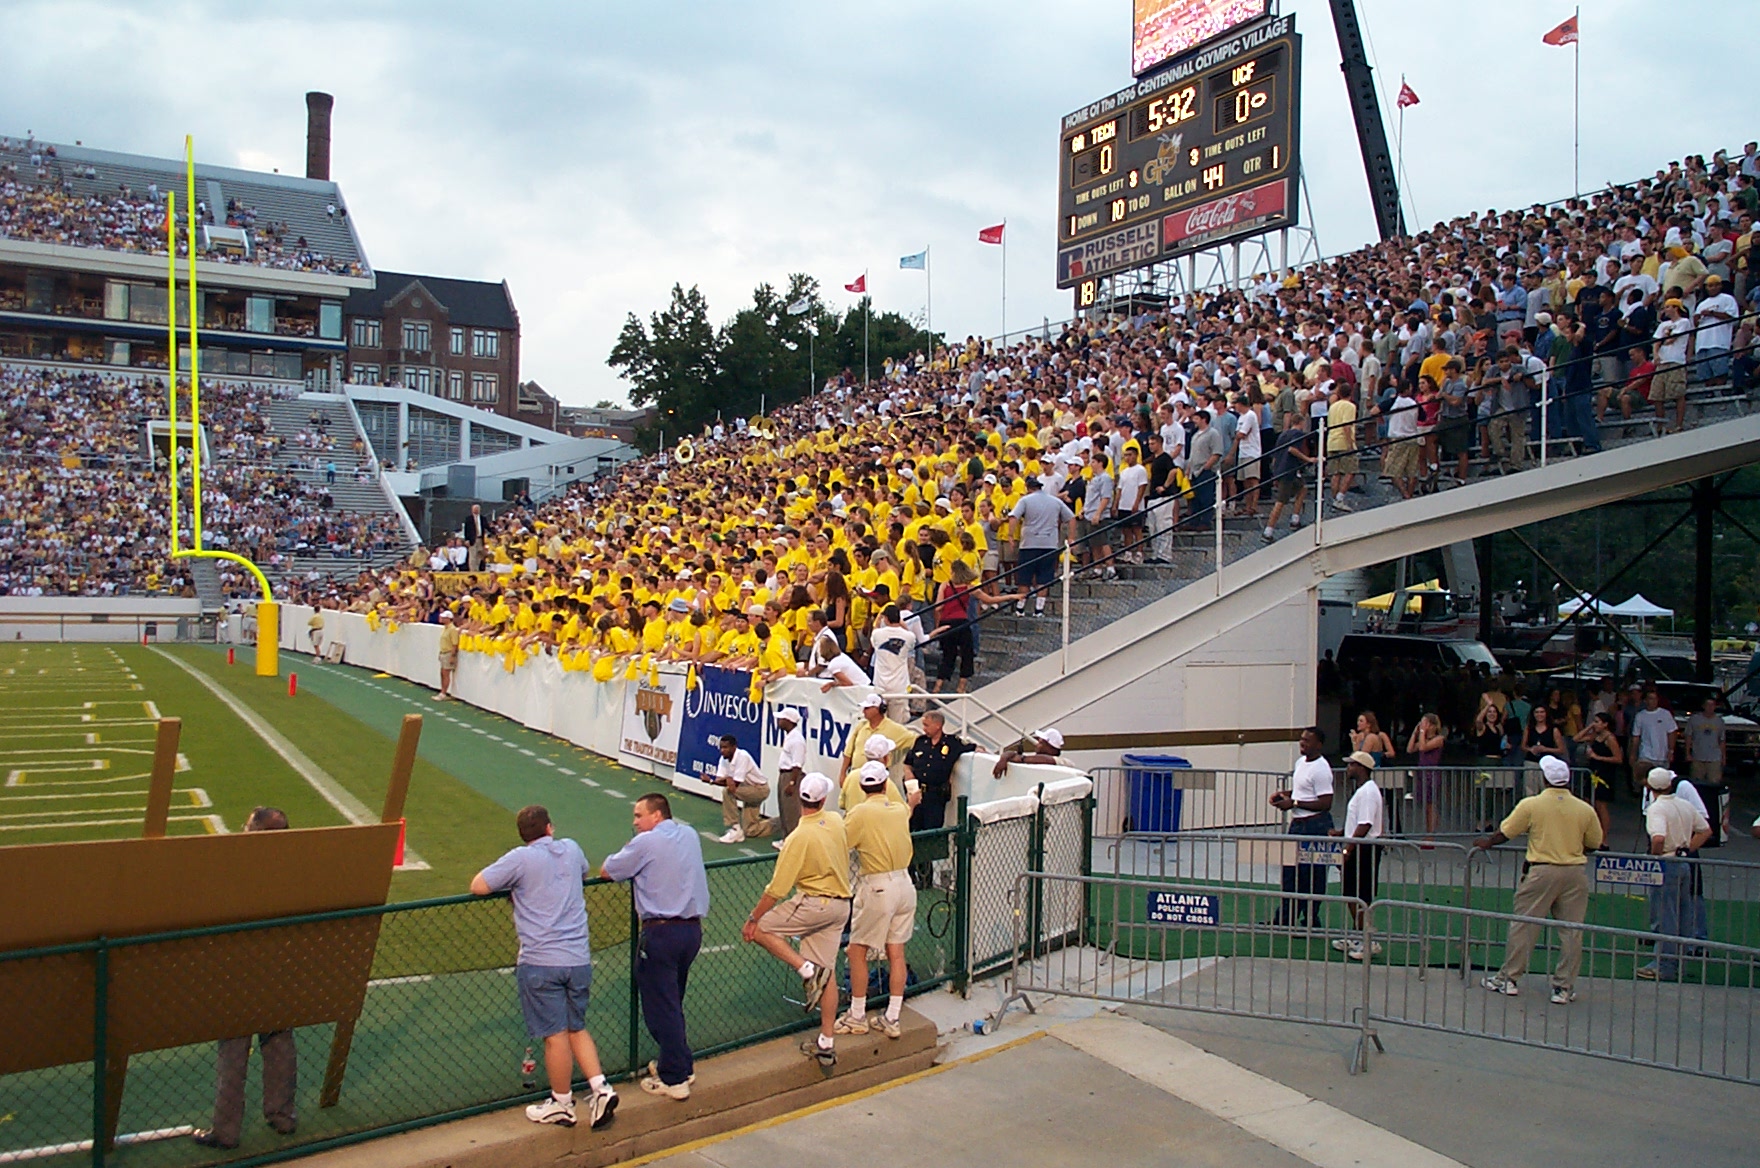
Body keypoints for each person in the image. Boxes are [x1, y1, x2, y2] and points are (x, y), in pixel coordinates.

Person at [470, 806, 618, 1128]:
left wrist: (515, 889)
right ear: (550, 828)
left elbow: (478, 885)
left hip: (540, 961)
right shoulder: (572, 848)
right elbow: (580, 873)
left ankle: (562, 1103)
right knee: (576, 1027)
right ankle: (600, 1088)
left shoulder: (520, 859)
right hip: (578, 958)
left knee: (554, 1036)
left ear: (523, 834)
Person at [193, 807, 298, 1150]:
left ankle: (226, 1130)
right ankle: (282, 1116)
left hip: (239, 972)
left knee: (233, 1050)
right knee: (280, 1041)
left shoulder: (234, 868)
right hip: (279, 969)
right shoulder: (295, 868)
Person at [599, 793, 709, 1101]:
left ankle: (674, 1079)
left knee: (662, 1007)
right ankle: (680, 1064)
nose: (635, 823)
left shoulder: (646, 842)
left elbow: (608, 870)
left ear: (656, 815)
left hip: (661, 934)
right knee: (673, 1001)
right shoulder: (689, 834)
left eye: (638, 816)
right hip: (691, 931)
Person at [742, 772, 850, 1069]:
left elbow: (776, 889)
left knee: (763, 928)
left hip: (813, 904)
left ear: (800, 799)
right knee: (828, 974)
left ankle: (805, 970)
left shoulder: (799, 836)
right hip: (841, 907)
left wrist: (753, 919)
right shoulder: (837, 822)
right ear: (823, 799)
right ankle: (826, 1043)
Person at [1475, 756, 1603, 1004]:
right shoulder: (1585, 809)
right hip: (1574, 871)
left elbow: (1506, 832)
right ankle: (1563, 987)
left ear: (1544, 779)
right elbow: (1595, 843)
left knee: (1524, 925)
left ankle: (1509, 978)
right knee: (1572, 931)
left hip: (1541, 869)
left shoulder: (1531, 804)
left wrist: (1486, 842)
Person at [837, 760, 919, 1040]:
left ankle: (857, 1014)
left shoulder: (859, 813)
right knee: (896, 953)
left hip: (878, 887)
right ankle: (892, 1017)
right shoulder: (898, 810)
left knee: (856, 951)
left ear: (862, 786)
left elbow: (841, 844)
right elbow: (908, 809)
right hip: (905, 885)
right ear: (886, 784)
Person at [1636, 768, 1712, 982]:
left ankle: (1663, 965)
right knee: (1683, 912)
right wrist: (1687, 851)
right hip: (1683, 861)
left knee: (1665, 914)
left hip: (1667, 862)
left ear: (1650, 788)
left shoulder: (1657, 809)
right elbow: (1705, 830)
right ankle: (1678, 961)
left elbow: (1658, 838)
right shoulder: (1684, 804)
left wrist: (1655, 858)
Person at [1269, 727, 1334, 926]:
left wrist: (1295, 804)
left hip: (1314, 825)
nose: (1302, 743)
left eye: (1307, 740)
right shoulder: (1300, 763)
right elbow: (1302, 790)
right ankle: (1285, 918)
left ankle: (1310, 918)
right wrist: (1285, 795)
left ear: (1319, 745)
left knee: (1313, 875)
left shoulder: (1322, 769)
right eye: (1301, 739)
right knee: (1290, 873)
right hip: (1297, 825)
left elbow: (1325, 802)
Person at [902, 710, 974, 883]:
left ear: (938, 725)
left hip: (935, 797)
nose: (924, 728)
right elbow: (908, 763)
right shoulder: (920, 742)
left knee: (931, 834)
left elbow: (973, 748)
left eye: (927, 725)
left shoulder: (951, 743)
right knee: (912, 832)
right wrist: (909, 777)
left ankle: (925, 876)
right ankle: (911, 874)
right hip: (917, 795)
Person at [1331, 753, 1384, 961]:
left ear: (1361, 767)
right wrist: (1342, 832)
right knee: (1351, 892)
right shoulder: (1362, 791)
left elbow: (1365, 824)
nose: (1348, 768)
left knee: (1361, 895)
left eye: (1351, 764)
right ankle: (1357, 934)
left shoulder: (1369, 792)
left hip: (1364, 849)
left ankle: (1368, 939)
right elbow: (1357, 821)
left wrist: (1348, 849)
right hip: (1358, 846)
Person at [1009, 476, 1074, 618]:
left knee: (1024, 577)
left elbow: (1013, 517)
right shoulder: (1055, 501)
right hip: (1049, 544)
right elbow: (1071, 517)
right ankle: (1039, 609)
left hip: (1029, 544)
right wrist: (1071, 537)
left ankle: (1020, 608)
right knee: (1044, 577)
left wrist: (1010, 535)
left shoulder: (1025, 500)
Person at [840, 693, 914, 790]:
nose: (863, 711)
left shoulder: (894, 728)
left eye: (867, 708)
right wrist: (843, 773)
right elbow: (848, 751)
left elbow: (914, 739)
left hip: (877, 779)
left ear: (877, 709)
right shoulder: (861, 726)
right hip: (856, 775)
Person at [714, 733, 773, 844]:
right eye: (721, 747)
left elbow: (734, 784)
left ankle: (735, 828)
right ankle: (781, 822)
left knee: (727, 792)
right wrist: (712, 781)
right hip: (747, 790)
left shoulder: (742, 756)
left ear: (734, 747)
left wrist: (724, 780)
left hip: (759, 789)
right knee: (751, 830)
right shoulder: (723, 759)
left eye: (725, 747)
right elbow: (720, 780)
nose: (722, 750)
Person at [1574, 710, 1624, 841]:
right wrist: (1590, 727)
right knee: (1587, 801)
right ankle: (1589, 833)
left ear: (1605, 724)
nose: (1595, 724)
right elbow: (1576, 738)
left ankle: (1603, 838)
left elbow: (1618, 758)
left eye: (1597, 722)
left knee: (1601, 805)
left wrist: (1598, 757)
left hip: (1604, 773)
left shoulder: (1610, 738)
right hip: (1593, 771)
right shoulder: (1595, 736)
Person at [1630, 688, 1678, 797]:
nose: (1653, 701)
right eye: (1650, 699)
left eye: (1655, 699)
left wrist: (1671, 750)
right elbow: (1636, 736)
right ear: (1646, 700)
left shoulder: (1665, 714)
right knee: (1646, 780)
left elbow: (1672, 733)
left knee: (1661, 781)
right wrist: (1633, 753)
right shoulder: (1640, 716)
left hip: (1662, 755)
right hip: (1646, 754)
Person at [1406, 712, 1446, 837]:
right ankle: (1431, 828)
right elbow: (1410, 749)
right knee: (1426, 804)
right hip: (1422, 774)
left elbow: (1423, 748)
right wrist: (1415, 732)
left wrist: (1422, 732)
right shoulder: (1424, 739)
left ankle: (1431, 833)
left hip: (1431, 774)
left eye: (1426, 723)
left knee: (1431, 804)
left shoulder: (1438, 739)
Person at [773, 706, 807, 846]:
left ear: (788, 721)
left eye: (781, 718)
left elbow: (797, 764)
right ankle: (786, 838)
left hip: (791, 776)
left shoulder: (797, 740)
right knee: (784, 808)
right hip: (784, 775)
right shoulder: (790, 737)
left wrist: (792, 783)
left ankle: (793, 841)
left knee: (791, 811)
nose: (779, 721)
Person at [1684, 697, 1726, 787]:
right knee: (1697, 784)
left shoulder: (1719, 721)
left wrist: (1723, 757)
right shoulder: (1694, 719)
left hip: (1714, 758)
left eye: (1712, 705)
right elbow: (1688, 737)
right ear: (1703, 706)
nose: (1710, 707)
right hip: (1697, 757)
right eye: (1708, 705)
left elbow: (1722, 740)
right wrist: (1687, 753)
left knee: (1714, 783)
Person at [992, 727, 1063, 777]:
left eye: (1041, 743)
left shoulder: (1063, 763)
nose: (1037, 745)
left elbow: (1049, 760)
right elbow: (1010, 753)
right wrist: (1003, 759)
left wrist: (1021, 759)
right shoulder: (1035, 760)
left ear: (1050, 748)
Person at [435, 609, 459, 700]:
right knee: (442, 673)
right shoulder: (446, 628)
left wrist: (452, 656)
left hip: (448, 653)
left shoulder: (452, 629)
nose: (442, 619)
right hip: (443, 652)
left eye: (444, 618)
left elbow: (454, 644)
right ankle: (442, 691)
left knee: (445, 673)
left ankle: (443, 693)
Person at [463, 503, 487, 571]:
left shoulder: (483, 518)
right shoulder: (469, 519)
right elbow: (466, 529)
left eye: (477, 509)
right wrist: (466, 539)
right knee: (472, 555)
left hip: (480, 539)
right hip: (472, 539)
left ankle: (477, 568)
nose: (476, 510)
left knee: (479, 555)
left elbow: (486, 527)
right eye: (474, 509)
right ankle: (472, 570)